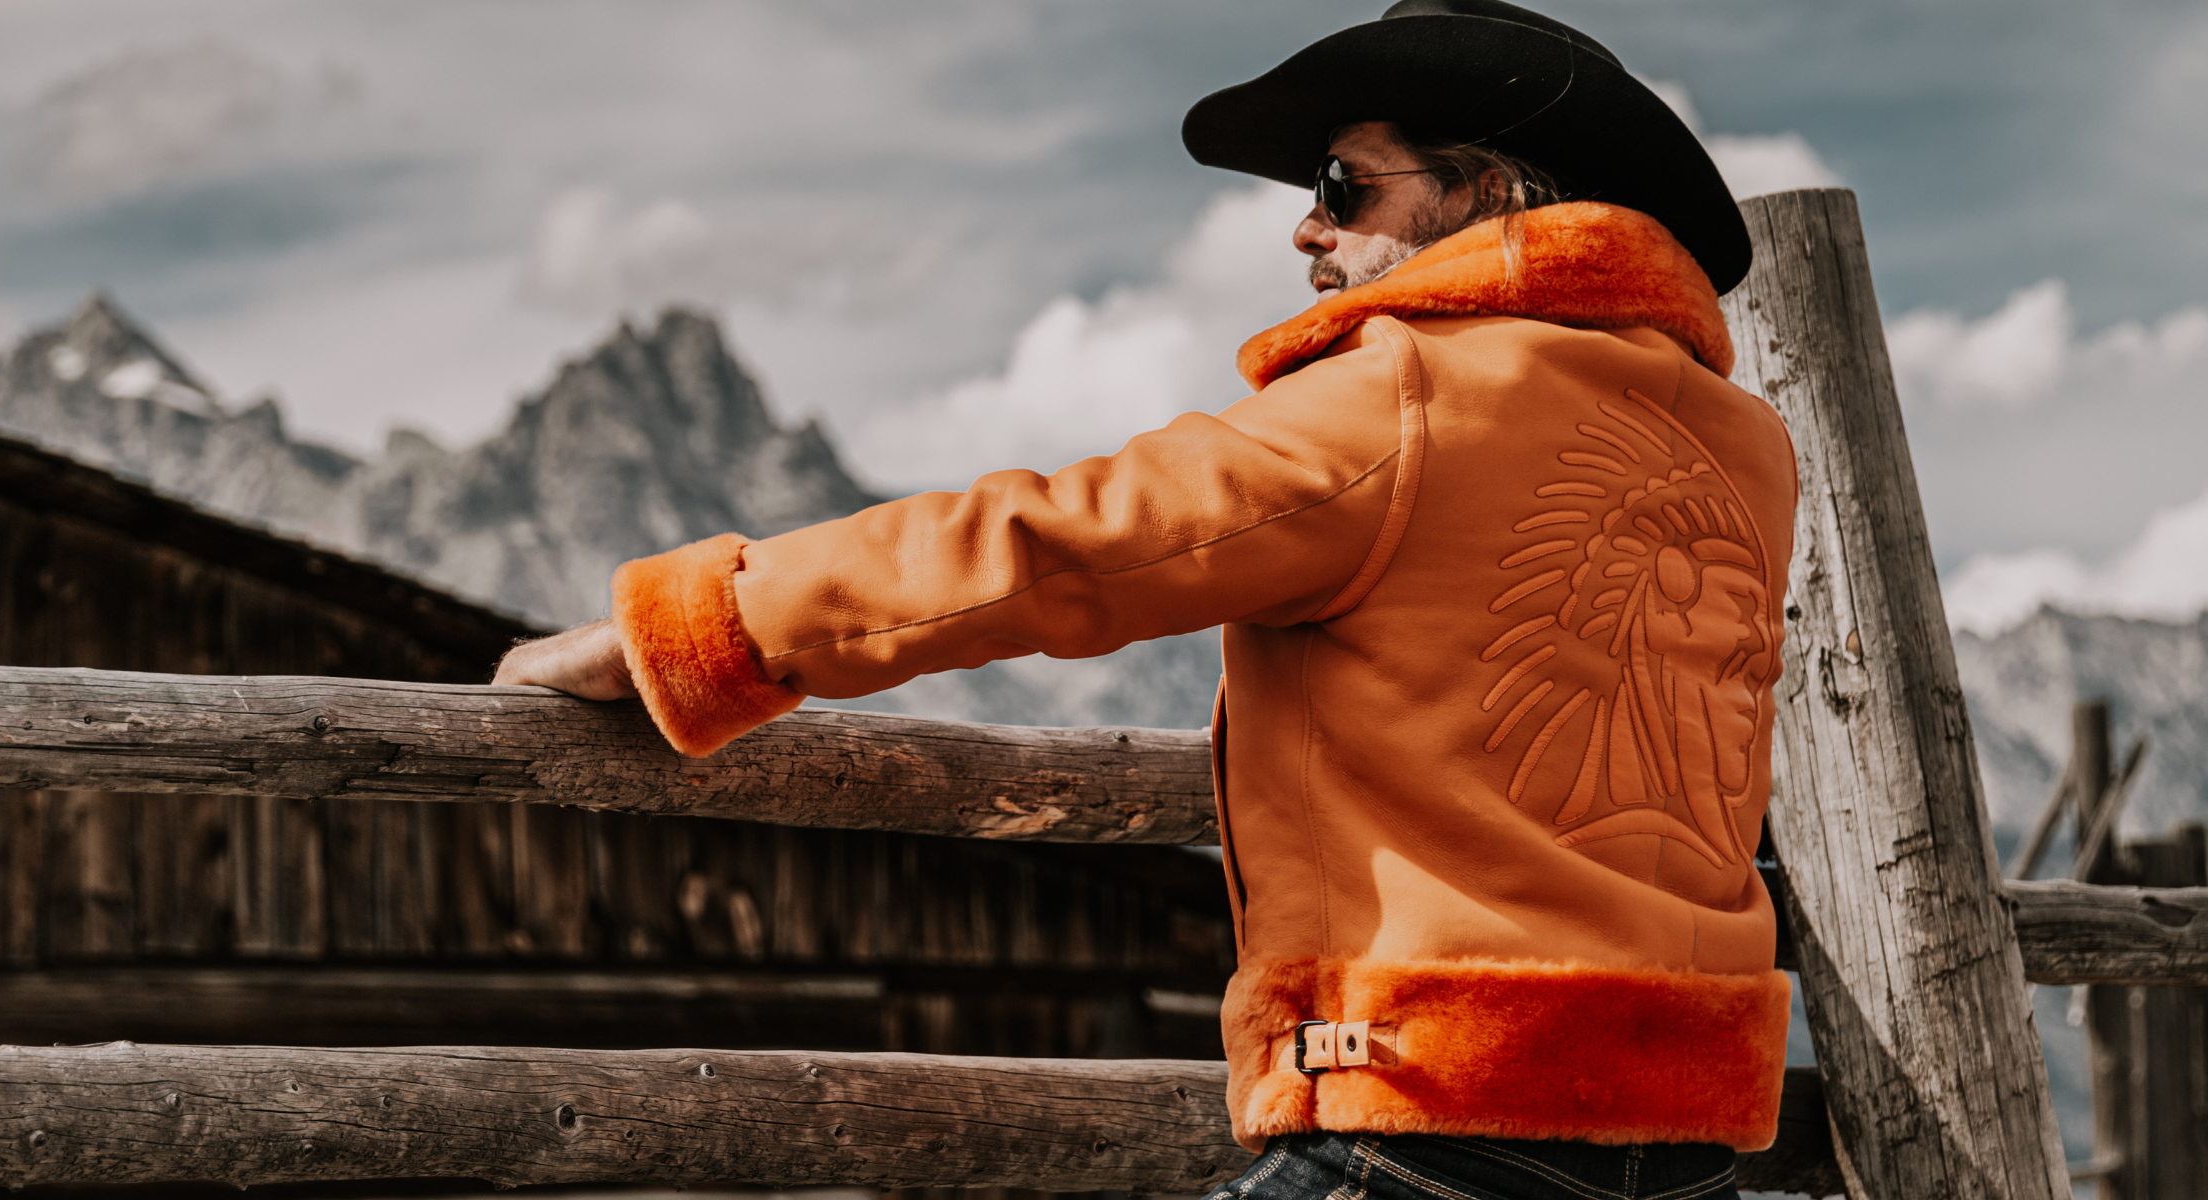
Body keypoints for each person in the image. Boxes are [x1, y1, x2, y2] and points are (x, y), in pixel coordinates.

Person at [497, 2, 1796, 1196]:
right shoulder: (1745, 449)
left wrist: (699, 628)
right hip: (1683, 1141)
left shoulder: (1408, 395)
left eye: (1346, 184)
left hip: (1436, 1104)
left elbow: (1054, 546)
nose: (1307, 226)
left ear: (1491, 194)